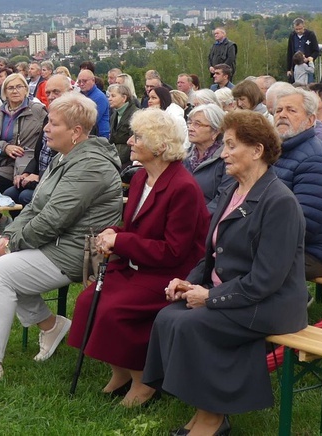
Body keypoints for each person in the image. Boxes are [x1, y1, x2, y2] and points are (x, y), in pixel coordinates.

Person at [144, 110, 308, 436]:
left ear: (257, 150)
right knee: (168, 316)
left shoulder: (279, 202)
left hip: (271, 304)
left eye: (231, 146)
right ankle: (202, 409)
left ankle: (214, 418)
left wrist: (211, 297)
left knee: (193, 325)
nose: (223, 153)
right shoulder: (234, 192)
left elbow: (267, 280)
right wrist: (189, 282)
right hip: (239, 293)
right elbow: (212, 254)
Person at [0, 93, 124, 381]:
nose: (46, 129)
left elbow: (54, 218)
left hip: (80, 252)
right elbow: (36, 207)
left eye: (53, 124)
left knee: (2, 271)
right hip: (58, 243)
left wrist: (15, 245)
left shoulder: (91, 165)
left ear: (76, 132)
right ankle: (50, 325)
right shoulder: (66, 156)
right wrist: (8, 237)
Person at [66, 108, 209, 407]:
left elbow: (174, 251)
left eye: (138, 136)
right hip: (137, 266)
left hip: (169, 274)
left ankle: (144, 378)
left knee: (113, 310)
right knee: (87, 301)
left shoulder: (182, 187)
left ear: (159, 146)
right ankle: (120, 372)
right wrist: (112, 232)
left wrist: (122, 241)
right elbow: (135, 227)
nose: (130, 141)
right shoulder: (142, 176)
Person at [273, 87, 322, 279]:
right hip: (287, 243)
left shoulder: (314, 158)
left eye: (291, 110)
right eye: (278, 110)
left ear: (311, 120)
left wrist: (256, 239)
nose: (282, 115)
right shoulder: (282, 151)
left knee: (246, 261)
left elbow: (304, 224)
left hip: (317, 253)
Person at [3, 75, 72, 207]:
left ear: (69, 92)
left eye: (56, 92)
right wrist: (26, 173)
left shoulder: (75, 120)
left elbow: (65, 160)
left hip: (58, 180)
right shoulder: (49, 117)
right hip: (39, 175)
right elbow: (39, 153)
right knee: (9, 194)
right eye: (48, 93)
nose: (51, 96)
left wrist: (40, 176)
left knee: (25, 197)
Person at [0, 73, 47, 194]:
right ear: (5, 92)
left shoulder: (37, 111)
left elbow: (47, 138)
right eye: (10, 88)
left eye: (19, 87)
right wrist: (5, 147)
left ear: (26, 89)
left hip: (27, 163)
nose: (15, 91)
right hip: (3, 163)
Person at [183, 103, 232, 213]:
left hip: (206, 221)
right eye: (190, 123)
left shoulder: (226, 159)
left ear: (215, 131)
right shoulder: (185, 156)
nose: (190, 128)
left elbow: (223, 198)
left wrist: (198, 218)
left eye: (197, 124)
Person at [108, 83, 139, 168]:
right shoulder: (114, 115)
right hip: (115, 157)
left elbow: (134, 142)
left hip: (128, 160)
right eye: (109, 96)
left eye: (113, 96)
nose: (109, 99)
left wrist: (115, 160)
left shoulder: (135, 115)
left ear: (124, 98)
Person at [77, 69, 110, 138]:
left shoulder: (100, 97)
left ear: (93, 81)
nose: (81, 84)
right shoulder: (80, 95)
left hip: (100, 137)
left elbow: (91, 120)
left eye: (85, 81)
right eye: (79, 81)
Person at [286, 17, 320, 83]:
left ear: (303, 26)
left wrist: (309, 59)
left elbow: (316, 51)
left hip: (307, 66)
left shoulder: (310, 35)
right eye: (296, 29)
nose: (298, 31)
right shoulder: (292, 36)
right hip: (296, 67)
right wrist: (288, 69)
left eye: (300, 29)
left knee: (309, 86)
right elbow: (289, 53)